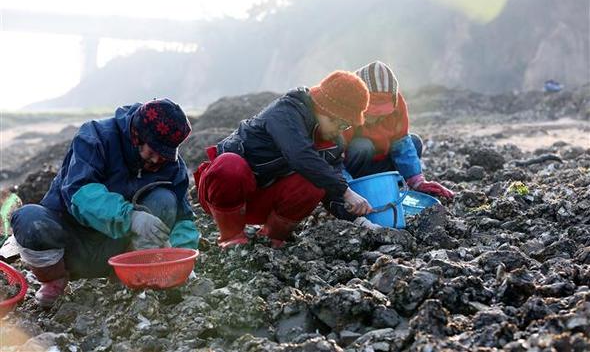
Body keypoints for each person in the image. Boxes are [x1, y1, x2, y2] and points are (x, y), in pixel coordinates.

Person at [11, 99, 200, 308]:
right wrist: (130, 217)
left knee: (165, 199)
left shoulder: (171, 166)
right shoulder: (95, 137)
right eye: (153, 150)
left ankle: (130, 278)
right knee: (30, 220)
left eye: (164, 154)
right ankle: (55, 280)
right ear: (137, 135)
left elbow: (183, 217)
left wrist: (184, 260)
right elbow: (80, 193)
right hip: (71, 242)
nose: (157, 160)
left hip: (119, 249)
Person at [194, 71, 373, 249]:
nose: (341, 131)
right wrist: (346, 191)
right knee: (230, 165)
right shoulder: (285, 112)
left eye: (347, 126)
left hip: (264, 202)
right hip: (224, 196)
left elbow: (331, 187)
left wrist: (360, 220)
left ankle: (271, 240)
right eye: (341, 123)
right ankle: (231, 239)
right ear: (323, 109)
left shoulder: (333, 144)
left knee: (316, 182)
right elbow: (300, 155)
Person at [343, 61, 454, 199]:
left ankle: (391, 185)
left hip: (380, 165)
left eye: (382, 113)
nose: (377, 117)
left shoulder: (397, 103)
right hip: (354, 168)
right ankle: (359, 188)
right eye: (372, 111)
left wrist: (417, 181)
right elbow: (333, 159)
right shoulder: (347, 107)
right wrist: (345, 190)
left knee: (414, 141)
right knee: (362, 146)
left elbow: (402, 143)